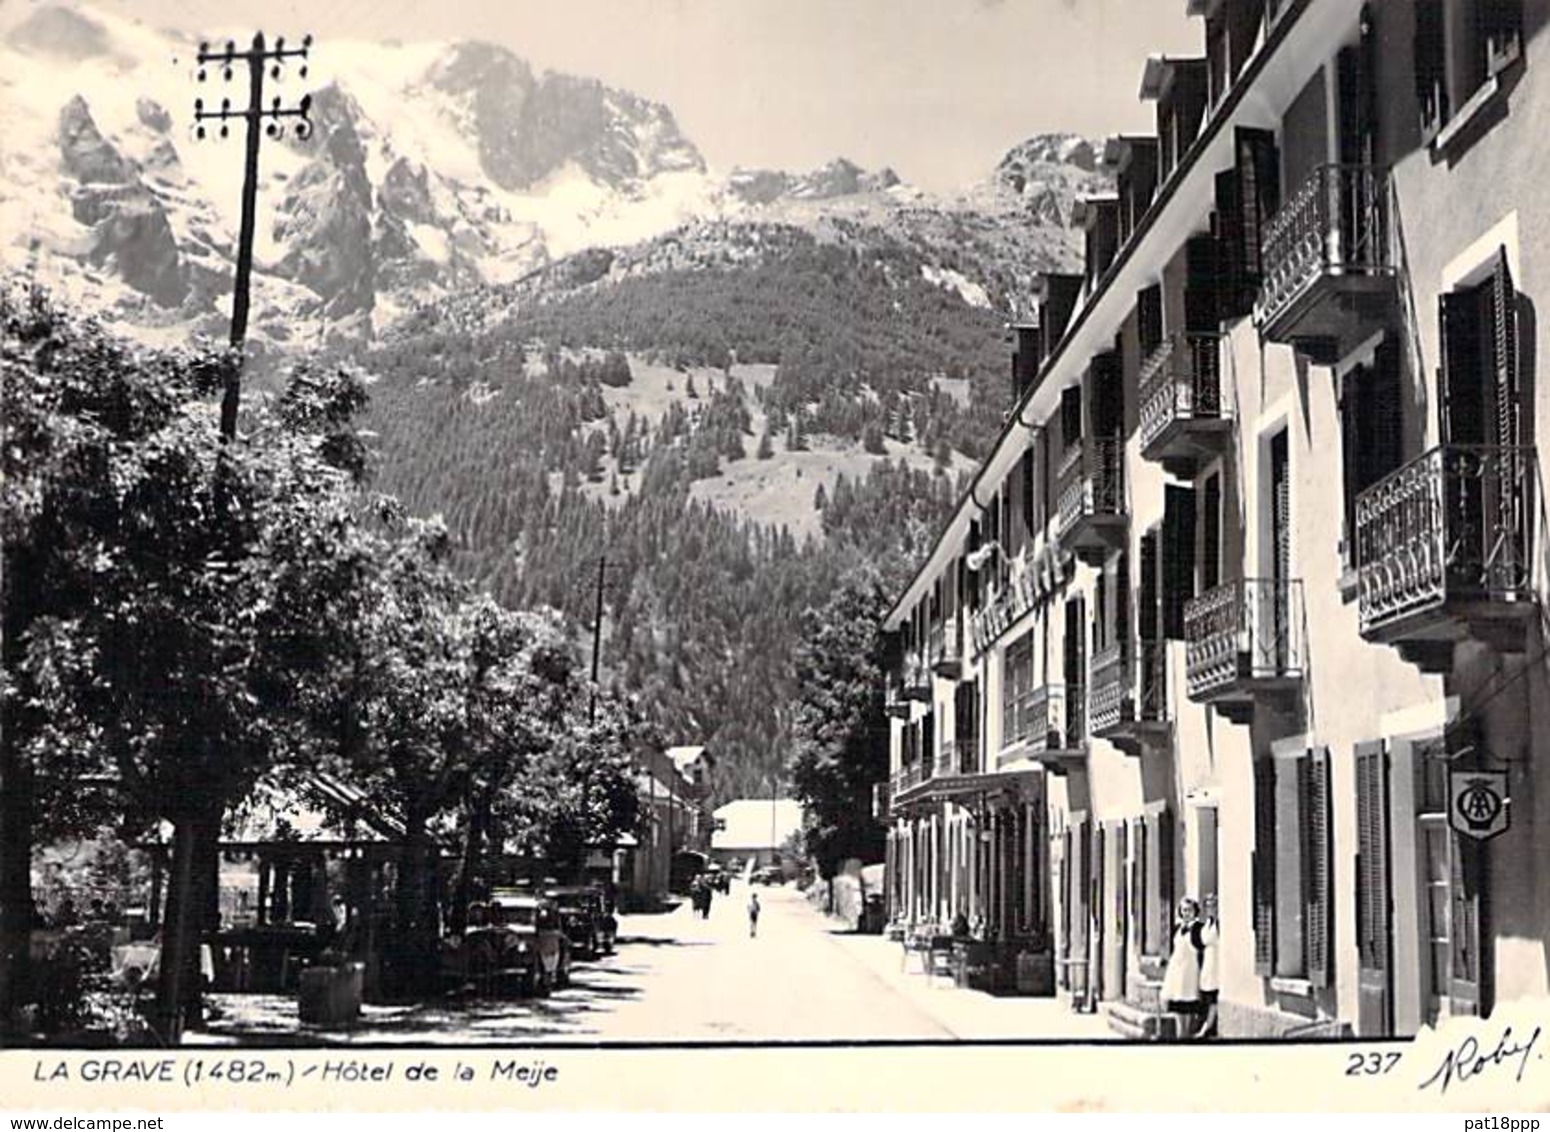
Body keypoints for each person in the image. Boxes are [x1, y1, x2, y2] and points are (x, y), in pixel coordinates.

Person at [1160, 896, 1205, 1039]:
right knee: (1178, 1002)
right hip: (1177, 969)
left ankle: (1187, 1032)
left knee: (1189, 1001)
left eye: (1190, 910)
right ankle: (1181, 1032)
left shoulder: (1199, 929)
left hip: (1191, 969)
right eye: (1184, 910)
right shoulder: (1177, 928)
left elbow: (1202, 950)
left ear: (1195, 912)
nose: (1187, 913)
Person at [1196, 894, 1220, 1040]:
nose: (1210, 908)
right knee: (1205, 993)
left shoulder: (1219, 924)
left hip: (1217, 961)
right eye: (1208, 906)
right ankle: (1206, 1024)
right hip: (1207, 961)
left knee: (1213, 996)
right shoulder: (1206, 924)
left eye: (1213, 905)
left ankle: (1208, 1027)